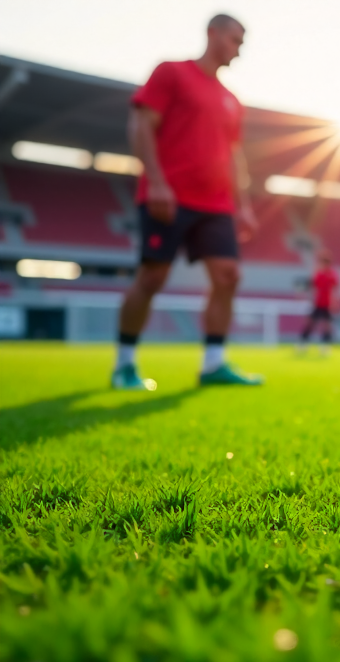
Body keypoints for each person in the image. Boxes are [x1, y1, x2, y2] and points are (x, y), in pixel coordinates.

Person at [111, 14, 261, 389]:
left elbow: (233, 156)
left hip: (216, 204)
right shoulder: (172, 73)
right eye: (234, 40)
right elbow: (141, 125)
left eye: (242, 43)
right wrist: (157, 182)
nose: (238, 50)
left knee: (228, 276)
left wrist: (242, 206)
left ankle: (213, 363)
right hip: (169, 197)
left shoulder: (231, 100)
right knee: (152, 277)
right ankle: (124, 364)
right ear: (212, 33)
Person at [297, 251, 340, 357]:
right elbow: (312, 287)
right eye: (322, 262)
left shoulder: (333, 275)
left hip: (328, 305)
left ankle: (325, 346)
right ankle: (303, 344)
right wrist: (306, 295)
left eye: (325, 262)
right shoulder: (318, 274)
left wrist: (335, 302)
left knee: (327, 326)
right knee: (310, 323)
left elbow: (336, 289)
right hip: (317, 304)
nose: (323, 264)